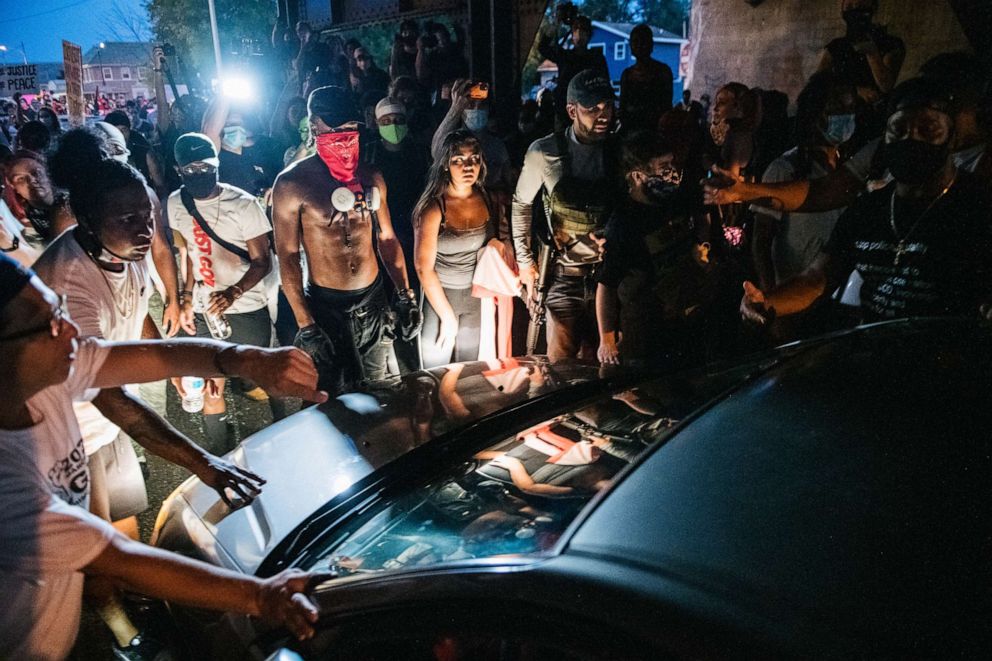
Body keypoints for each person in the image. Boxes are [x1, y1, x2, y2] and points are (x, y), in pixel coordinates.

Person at [0, 253, 327, 659]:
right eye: (49, 325)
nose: (69, 330)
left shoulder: (48, 373)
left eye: (61, 310)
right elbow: (118, 557)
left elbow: (157, 357)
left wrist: (248, 359)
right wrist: (261, 597)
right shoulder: (6, 483)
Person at [34, 133, 265, 657]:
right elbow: (113, 401)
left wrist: (175, 366)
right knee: (99, 549)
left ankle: (136, 607)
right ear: (88, 223)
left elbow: (138, 316)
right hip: (65, 430)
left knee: (126, 523)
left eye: (149, 215)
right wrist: (204, 462)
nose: (145, 230)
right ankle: (125, 639)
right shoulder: (70, 282)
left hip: (103, 420)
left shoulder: (127, 252)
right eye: (129, 221)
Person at [741, 77, 992, 327]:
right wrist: (767, 301)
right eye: (899, 130)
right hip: (879, 355)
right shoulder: (868, 209)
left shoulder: (978, 206)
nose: (911, 139)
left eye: (928, 130)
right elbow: (818, 278)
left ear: (951, 138)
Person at [272, 86, 422, 394]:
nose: (345, 134)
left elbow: (387, 237)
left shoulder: (371, 176)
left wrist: (405, 295)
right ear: (314, 126)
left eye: (351, 127)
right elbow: (287, 255)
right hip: (326, 305)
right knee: (332, 394)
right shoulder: (292, 184)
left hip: (373, 300)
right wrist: (306, 324)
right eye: (336, 127)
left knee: (381, 390)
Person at [168, 133, 279, 446]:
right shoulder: (177, 203)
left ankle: (274, 438)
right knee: (208, 384)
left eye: (205, 166)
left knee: (257, 377)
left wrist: (233, 293)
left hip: (245, 309)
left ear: (216, 164)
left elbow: (262, 262)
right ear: (179, 171)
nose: (199, 173)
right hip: (204, 310)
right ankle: (220, 456)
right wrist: (187, 298)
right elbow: (187, 254)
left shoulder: (243, 205)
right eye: (190, 170)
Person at [512, 70, 617, 361]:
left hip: (607, 279)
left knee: (607, 369)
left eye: (607, 105)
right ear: (572, 111)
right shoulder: (544, 153)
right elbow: (521, 204)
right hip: (562, 278)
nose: (603, 114)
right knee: (561, 370)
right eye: (592, 108)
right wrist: (525, 262)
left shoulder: (618, 150)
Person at [750, 73, 858, 342]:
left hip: (836, 298)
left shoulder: (852, 173)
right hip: (791, 293)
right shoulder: (783, 170)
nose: (845, 117)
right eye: (836, 110)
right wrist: (771, 299)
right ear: (816, 115)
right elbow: (760, 241)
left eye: (850, 109)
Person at [596, 131, 710, 368]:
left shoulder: (672, 201)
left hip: (683, 319)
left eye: (671, 163)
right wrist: (607, 339)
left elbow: (700, 217)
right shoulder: (623, 224)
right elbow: (606, 285)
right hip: (645, 330)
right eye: (663, 167)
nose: (671, 173)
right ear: (638, 176)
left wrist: (702, 246)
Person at [414, 130, 508, 367]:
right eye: (458, 160)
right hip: (440, 299)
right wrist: (446, 316)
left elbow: (495, 244)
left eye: (474, 159)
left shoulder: (487, 198)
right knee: (435, 376)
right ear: (446, 165)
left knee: (468, 374)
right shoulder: (434, 207)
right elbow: (423, 268)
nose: (468, 166)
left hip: (474, 300)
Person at [368, 97, 431, 371]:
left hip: (414, 238)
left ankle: (411, 365)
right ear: (376, 123)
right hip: (381, 240)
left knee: (412, 300)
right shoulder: (370, 157)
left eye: (397, 120)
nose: (392, 126)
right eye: (386, 121)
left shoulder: (418, 154)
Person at [817, 0, 904, 107]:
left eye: (859, 6)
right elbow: (818, 85)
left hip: (875, 112)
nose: (854, 10)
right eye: (849, 7)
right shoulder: (836, 46)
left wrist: (872, 53)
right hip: (841, 113)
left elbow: (886, 86)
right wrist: (854, 91)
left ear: (873, 7)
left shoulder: (890, 43)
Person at [431, 79, 512, 190]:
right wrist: (455, 109)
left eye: (482, 104)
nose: (476, 109)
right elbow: (436, 152)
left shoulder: (497, 145)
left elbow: (508, 180)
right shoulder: (453, 141)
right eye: (471, 104)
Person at [201, 98, 283, 201]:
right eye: (227, 125)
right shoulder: (215, 157)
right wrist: (224, 95)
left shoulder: (262, 152)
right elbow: (210, 132)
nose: (232, 128)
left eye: (236, 124)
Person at [538, 13, 609, 131]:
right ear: (571, 34)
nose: (579, 33)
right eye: (576, 29)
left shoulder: (596, 58)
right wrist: (557, 23)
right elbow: (543, 47)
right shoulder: (565, 56)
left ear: (589, 34)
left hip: (589, 112)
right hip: (564, 112)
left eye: (583, 30)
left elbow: (604, 85)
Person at [618, 23, 674, 134]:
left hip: (657, 132)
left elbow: (666, 107)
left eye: (643, 41)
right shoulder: (627, 75)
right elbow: (623, 108)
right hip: (631, 132)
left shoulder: (663, 72)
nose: (639, 46)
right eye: (635, 42)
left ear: (651, 45)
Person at [104, 109, 168, 199]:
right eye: (116, 131)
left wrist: (163, 207)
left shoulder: (142, 150)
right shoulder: (102, 154)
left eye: (124, 130)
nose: (121, 135)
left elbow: (160, 184)